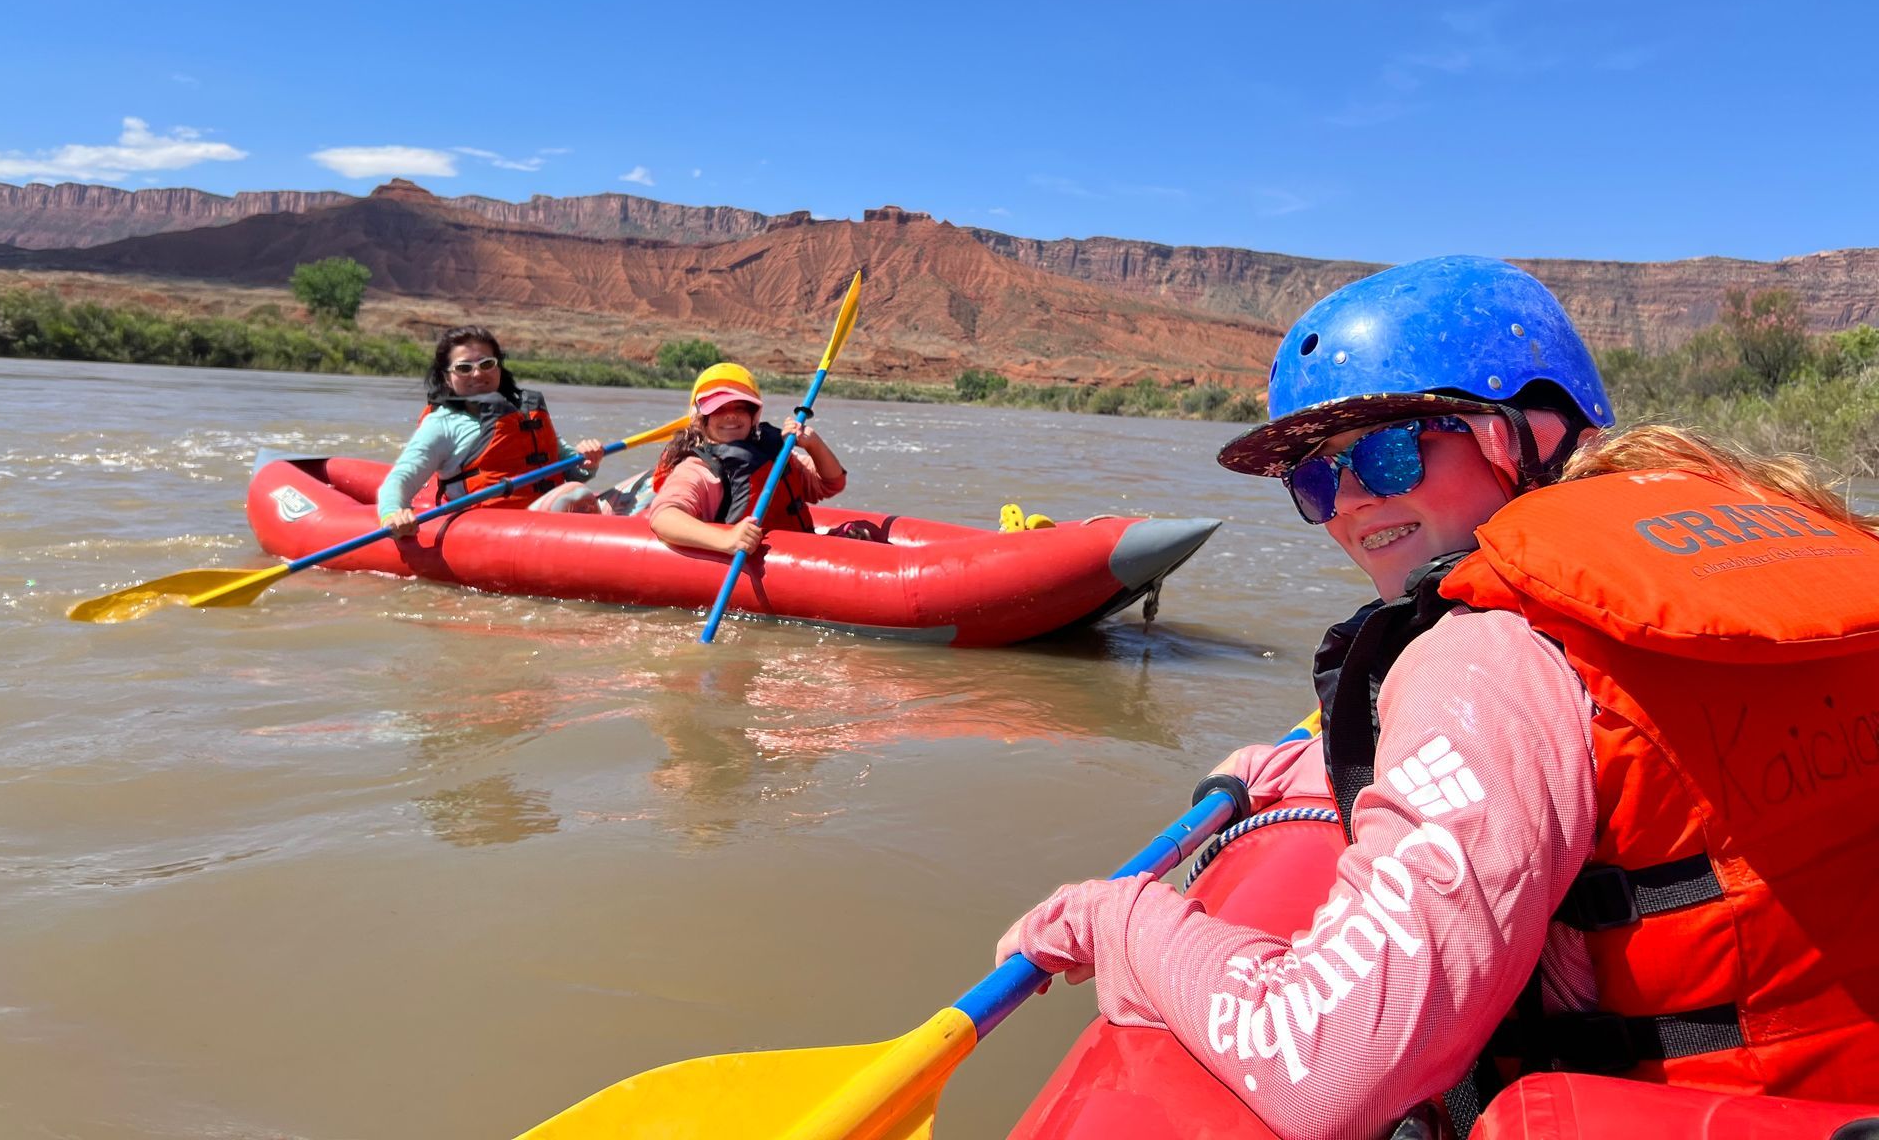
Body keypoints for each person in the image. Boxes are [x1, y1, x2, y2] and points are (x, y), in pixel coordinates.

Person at [997, 256, 1879, 1138]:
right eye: (1314, 478)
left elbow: (1326, 1065)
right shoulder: (1780, 541)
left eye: (1386, 451)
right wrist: (1328, 762)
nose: (1345, 502)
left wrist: (1119, 922)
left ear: (1520, 432)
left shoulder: (1487, 656)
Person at [378, 326, 609, 537]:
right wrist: (392, 514)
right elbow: (400, 479)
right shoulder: (441, 425)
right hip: (493, 529)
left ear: (498, 367)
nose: (477, 374)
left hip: (549, 515)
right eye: (464, 368)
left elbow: (571, 467)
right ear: (447, 378)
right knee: (576, 493)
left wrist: (588, 460)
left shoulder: (522, 414)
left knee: (639, 489)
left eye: (486, 364)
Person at [647, 362, 848, 555]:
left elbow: (832, 483)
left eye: (740, 408)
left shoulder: (771, 452)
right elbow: (664, 516)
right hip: (748, 569)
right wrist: (726, 539)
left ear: (754, 416)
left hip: (797, 557)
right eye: (719, 409)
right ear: (702, 420)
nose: (731, 416)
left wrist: (813, 444)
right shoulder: (698, 469)